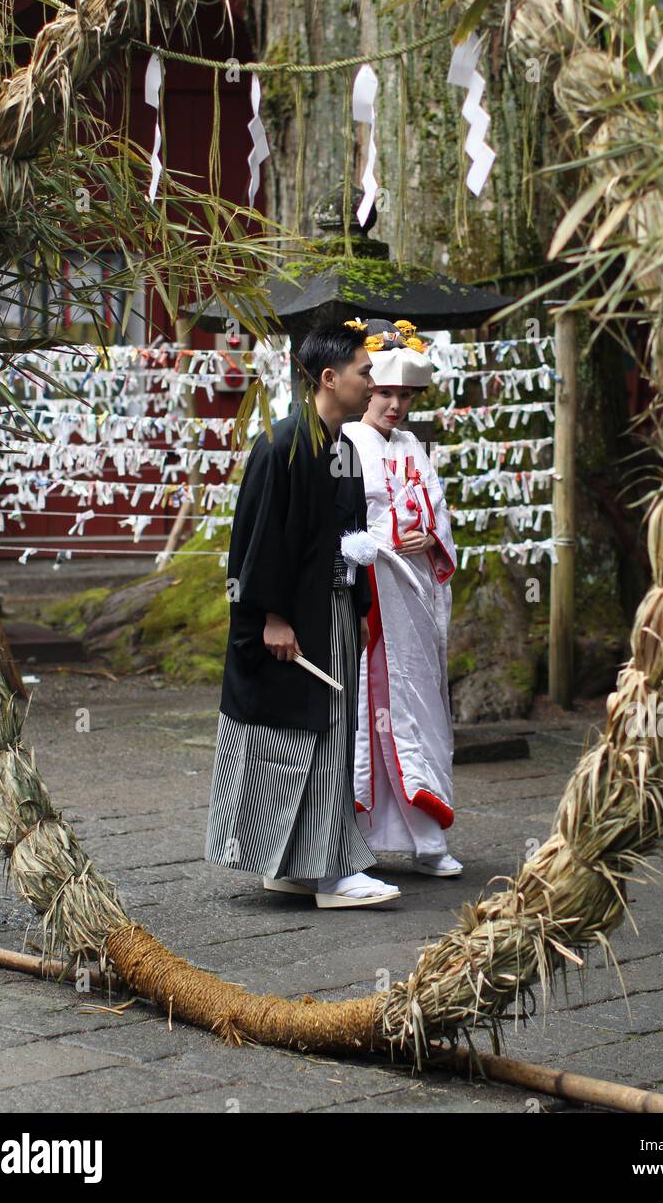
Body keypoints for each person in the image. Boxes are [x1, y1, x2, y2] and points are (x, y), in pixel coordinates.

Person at [205, 322, 401, 908]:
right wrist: (270, 616)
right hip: (293, 622)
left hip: (332, 613)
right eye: (365, 373)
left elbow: (339, 535)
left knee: (332, 737)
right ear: (328, 377)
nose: (372, 383)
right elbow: (257, 539)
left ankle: (296, 866)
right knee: (300, 740)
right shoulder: (281, 444)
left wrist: (357, 577)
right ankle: (332, 874)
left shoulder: (342, 450)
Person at [342, 319, 462, 877]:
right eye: (385, 392)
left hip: (410, 595)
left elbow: (437, 513)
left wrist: (429, 535)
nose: (394, 404)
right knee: (366, 713)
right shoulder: (345, 443)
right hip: (367, 592)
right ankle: (355, 842)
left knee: (418, 708)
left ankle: (427, 840)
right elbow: (344, 524)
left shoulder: (415, 446)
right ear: (367, 389)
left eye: (404, 395)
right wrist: (387, 536)